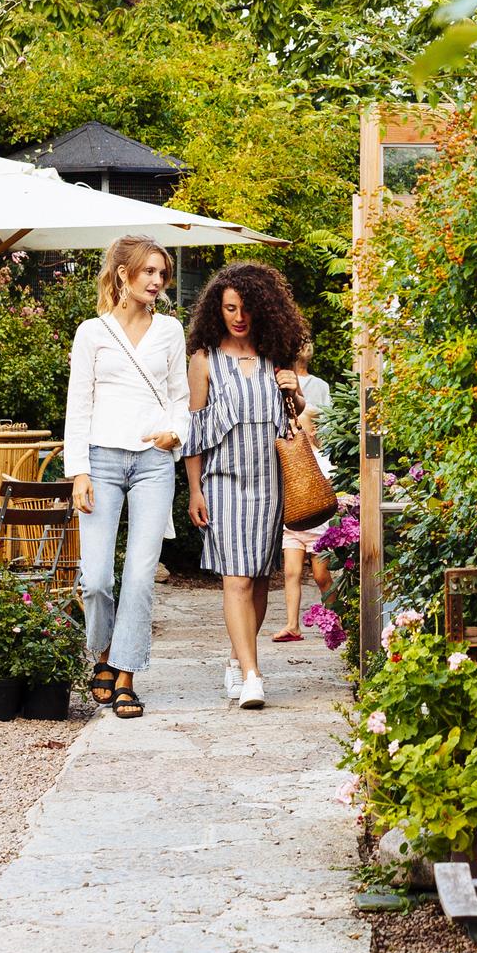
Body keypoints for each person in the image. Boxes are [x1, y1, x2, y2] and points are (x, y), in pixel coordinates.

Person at [63, 235, 188, 720]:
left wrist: (176, 433)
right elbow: (79, 406)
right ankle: (101, 656)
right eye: (149, 272)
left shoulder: (170, 332)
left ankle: (126, 675)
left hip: (154, 463)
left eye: (162, 274)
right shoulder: (91, 332)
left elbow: (180, 398)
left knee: (139, 575)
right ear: (123, 274)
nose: (157, 281)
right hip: (101, 461)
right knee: (95, 578)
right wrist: (79, 471)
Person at [183, 260, 309, 709]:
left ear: (262, 309)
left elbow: (298, 418)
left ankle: (238, 660)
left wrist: (295, 391)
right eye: (230, 308)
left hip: (271, 482)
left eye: (246, 308)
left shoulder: (278, 355)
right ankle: (253, 675)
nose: (238, 317)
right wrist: (195, 489)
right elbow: (195, 431)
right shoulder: (204, 359)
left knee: (258, 580)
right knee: (236, 579)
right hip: (223, 481)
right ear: (218, 310)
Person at [271, 342, 337, 643]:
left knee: (322, 575)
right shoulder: (289, 455)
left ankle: (335, 619)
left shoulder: (320, 460)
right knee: (291, 573)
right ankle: (292, 624)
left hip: (318, 522)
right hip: (294, 522)